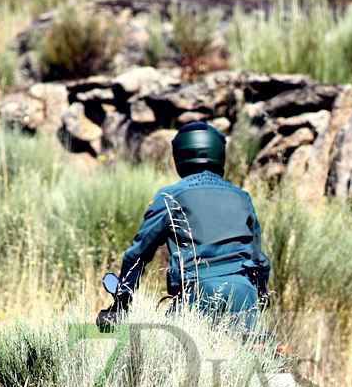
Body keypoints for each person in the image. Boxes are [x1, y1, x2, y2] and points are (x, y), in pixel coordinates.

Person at [98, 121, 271, 326]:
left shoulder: (170, 196)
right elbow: (260, 260)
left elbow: (138, 254)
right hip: (244, 293)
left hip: (197, 292)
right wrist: (260, 293)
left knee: (176, 353)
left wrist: (122, 302)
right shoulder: (242, 197)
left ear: (179, 154)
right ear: (219, 154)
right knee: (251, 352)